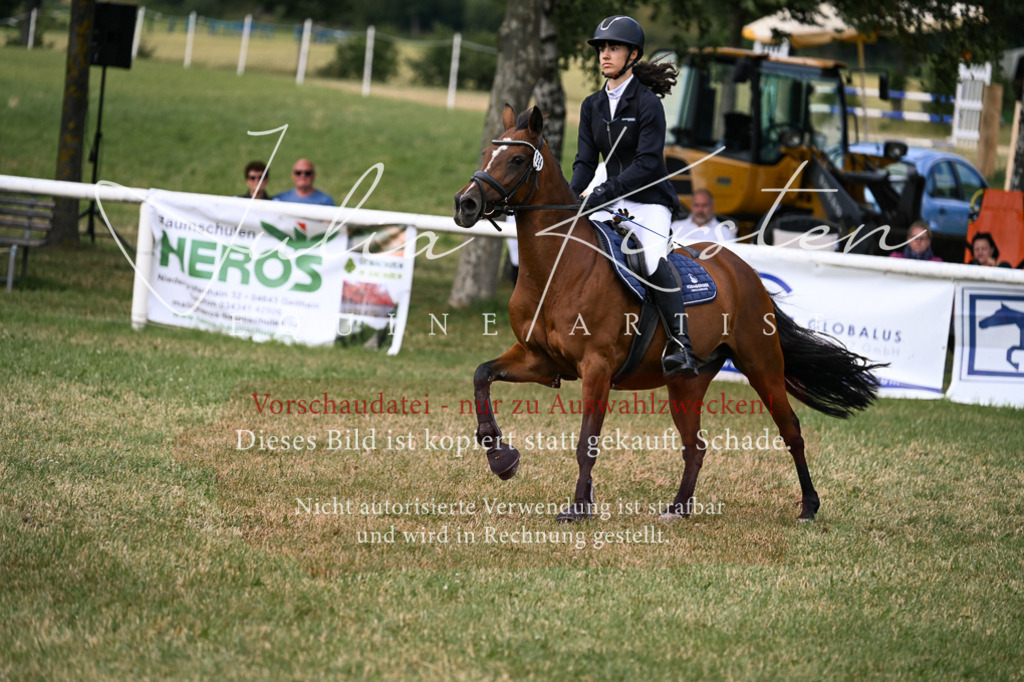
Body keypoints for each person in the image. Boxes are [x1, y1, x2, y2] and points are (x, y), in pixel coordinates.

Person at [569, 15, 697, 376]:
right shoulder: (591, 106)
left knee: (653, 261)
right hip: (610, 199)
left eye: (613, 48)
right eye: (602, 49)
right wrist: (570, 196)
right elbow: (583, 163)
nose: (605, 55)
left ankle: (681, 345)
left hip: (650, 201)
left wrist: (602, 192)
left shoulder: (647, 105)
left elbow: (645, 166)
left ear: (633, 55)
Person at [671, 188, 737, 245]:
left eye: (704, 205)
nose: (700, 210)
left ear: (712, 207)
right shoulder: (675, 227)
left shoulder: (725, 233)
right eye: (696, 205)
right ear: (691, 206)